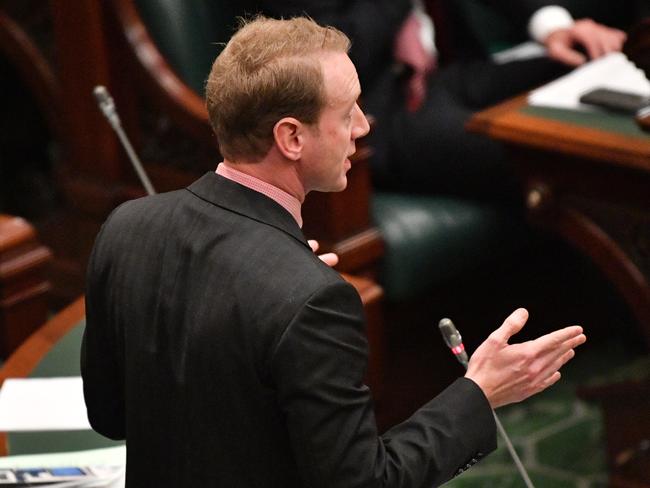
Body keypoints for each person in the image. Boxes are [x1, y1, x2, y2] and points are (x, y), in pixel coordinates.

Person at [81, 16, 586, 487]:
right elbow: (365, 481)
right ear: (292, 137)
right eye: (348, 114)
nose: (364, 127)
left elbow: (109, 415)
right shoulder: (311, 300)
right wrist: (479, 393)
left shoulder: (126, 226)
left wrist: (276, 315)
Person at [239, 0, 630, 200]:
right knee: (552, 150)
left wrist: (555, 26)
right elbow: (333, 50)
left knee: (610, 72)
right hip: (379, 109)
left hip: (455, 70)